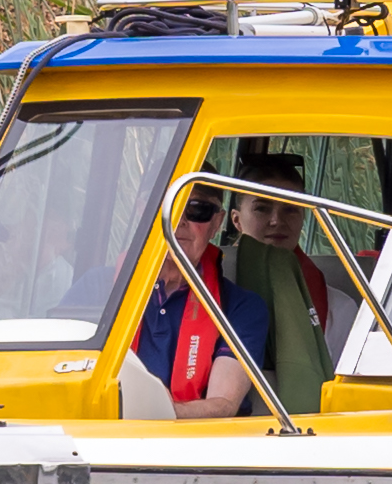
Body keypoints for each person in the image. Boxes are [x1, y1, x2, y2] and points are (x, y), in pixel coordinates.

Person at [131, 179, 339, 422]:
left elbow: (224, 404)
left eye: (197, 209)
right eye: (166, 207)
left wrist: (153, 411)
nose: (178, 221)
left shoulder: (243, 308)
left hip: (195, 446)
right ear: (142, 212)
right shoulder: (99, 289)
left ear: (217, 223)